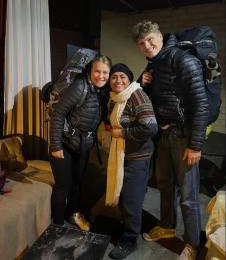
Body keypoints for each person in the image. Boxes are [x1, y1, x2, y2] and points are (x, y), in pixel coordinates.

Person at [131, 20, 209, 259]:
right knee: (165, 185)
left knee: (188, 195)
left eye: (150, 39)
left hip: (183, 136)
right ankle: (166, 227)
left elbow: (201, 104)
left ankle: (193, 244)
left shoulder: (182, 60)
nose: (147, 45)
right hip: (164, 134)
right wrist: (142, 82)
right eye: (142, 43)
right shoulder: (154, 64)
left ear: (160, 37)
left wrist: (195, 145)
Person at [49, 55, 112, 230]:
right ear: (90, 71)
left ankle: (74, 215)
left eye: (105, 72)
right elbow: (58, 114)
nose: (101, 76)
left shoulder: (103, 91)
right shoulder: (79, 87)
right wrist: (55, 145)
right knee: (63, 187)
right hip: (63, 144)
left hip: (83, 145)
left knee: (77, 184)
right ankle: (58, 226)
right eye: (97, 71)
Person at [105, 63, 158, 259]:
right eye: (114, 77)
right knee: (124, 194)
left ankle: (130, 239)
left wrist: (123, 133)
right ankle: (129, 224)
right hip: (122, 154)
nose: (118, 80)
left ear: (129, 80)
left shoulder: (136, 95)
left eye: (123, 77)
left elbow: (151, 127)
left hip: (138, 156)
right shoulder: (115, 99)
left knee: (130, 199)